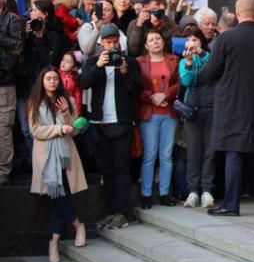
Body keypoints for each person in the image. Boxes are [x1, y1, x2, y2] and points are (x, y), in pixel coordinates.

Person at [199, 0, 254, 216]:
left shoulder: (226, 39)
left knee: (234, 154)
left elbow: (211, 72)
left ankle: (231, 204)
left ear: (238, 13)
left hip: (233, 106)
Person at [80, 23, 143, 229]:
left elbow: (137, 89)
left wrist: (124, 71)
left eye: (116, 42)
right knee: (106, 171)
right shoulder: (93, 61)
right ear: (102, 43)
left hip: (122, 123)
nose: (113, 46)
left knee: (122, 169)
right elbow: (84, 83)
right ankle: (109, 210)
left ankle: (122, 211)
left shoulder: (130, 63)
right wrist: (98, 65)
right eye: (109, 43)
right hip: (100, 124)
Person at [27, 67, 87, 262]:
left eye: (55, 78)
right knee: (58, 196)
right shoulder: (34, 103)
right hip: (46, 157)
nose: (52, 82)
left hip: (65, 154)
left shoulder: (66, 101)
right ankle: (78, 226)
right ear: (42, 82)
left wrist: (65, 114)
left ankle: (54, 242)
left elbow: (74, 129)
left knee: (59, 196)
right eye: (48, 78)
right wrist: (59, 128)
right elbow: (36, 130)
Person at [17, 0, 70, 155]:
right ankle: (36, 160)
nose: (31, 13)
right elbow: (19, 56)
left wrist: (40, 37)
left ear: (45, 14)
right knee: (26, 128)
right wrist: (24, 36)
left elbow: (48, 62)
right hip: (26, 87)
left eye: (34, 10)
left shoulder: (53, 35)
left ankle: (45, 158)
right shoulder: (27, 31)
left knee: (44, 125)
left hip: (45, 88)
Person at [136, 30, 179, 208]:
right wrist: (151, 97)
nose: (155, 42)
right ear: (146, 45)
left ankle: (164, 193)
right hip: (149, 112)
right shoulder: (140, 62)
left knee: (166, 155)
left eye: (158, 38)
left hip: (169, 113)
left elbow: (179, 83)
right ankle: (146, 194)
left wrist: (166, 94)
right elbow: (136, 85)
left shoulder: (173, 60)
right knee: (150, 155)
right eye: (151, 40)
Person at [179, 27, 217, 209]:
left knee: (210, 151)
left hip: (211, 108)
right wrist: (187, 61)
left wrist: (200, 54)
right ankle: (193, 190)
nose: (192, 44)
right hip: (192, 110)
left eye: (195, 39)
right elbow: (186, 81)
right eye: (189, 40)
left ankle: (207, 189)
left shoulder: (209, 56)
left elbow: (212, 69)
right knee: (194, 151)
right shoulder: (183, 61)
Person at [0, 0, 23, 186]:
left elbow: (17, 46)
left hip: (4, 83)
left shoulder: (12, 20)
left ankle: (2, 171)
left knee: (3, 129)